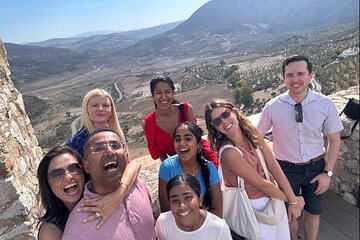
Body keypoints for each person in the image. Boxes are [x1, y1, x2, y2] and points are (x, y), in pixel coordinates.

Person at [257, 55, 343, 240]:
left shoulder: (325, 104)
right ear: (283, 78)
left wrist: (327, 173)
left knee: (313, 212)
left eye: (301, 74)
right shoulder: (272, 107)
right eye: (290, 75)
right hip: (285, 170)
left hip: (316, 167)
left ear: (311, 75)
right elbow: (257, 138)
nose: (295, 80)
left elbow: (335, 140)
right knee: (290, 214)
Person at [205, 99, 305, 240]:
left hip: (274, 195)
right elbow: (260, 183)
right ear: (214, 128)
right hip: (254, 205)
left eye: (225, 114)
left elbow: (272, 164)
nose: (224, 122)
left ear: (233, 111)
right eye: (217, 122)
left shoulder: (251, 132)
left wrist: (292, 200)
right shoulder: (229, 153)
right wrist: (292, 201)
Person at [62, 128, 155, 240]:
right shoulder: (77, 229)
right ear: (86, 165)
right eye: (99, 148)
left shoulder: (138, 186)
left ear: (125, 154)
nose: (110, 152)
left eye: (115, 146)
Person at [37, 146, 140, 240]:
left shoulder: (97, 193)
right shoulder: (51, 231)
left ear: (84, 169)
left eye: (74, 168)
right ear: (47, 182)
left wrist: (117, 196)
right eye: (57, 174)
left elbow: (134, 165)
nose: (69, 177)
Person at [142, 76, 219, 167]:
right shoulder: (149, 123)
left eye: (167, 92)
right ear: (152, 95)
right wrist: (174, 169)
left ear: (173, 93)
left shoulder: (186, 110)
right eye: (158, 93)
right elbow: (161, 154)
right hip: (177, 165)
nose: (163, 97)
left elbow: (196, 139)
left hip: (202, 157)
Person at [158, 122, 222, 217]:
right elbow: (166, 211)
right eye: (177, 139)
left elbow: (218, 211)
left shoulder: (210, 168)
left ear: (199, 145)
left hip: (204, 225)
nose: (182, 143)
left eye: (188, 138)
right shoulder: (167, 167)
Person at [156, 173, 232, 240]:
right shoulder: (163, 223)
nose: (182, 206)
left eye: (188, 198)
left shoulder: (219, 229)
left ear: (200, 200)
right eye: (175, 200)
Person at [65, 88, 125, 157]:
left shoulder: (118, 135)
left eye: (105, 105)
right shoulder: (75, 143)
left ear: (111, 110)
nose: (100, 109)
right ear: (86, 110)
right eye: (94, 105)